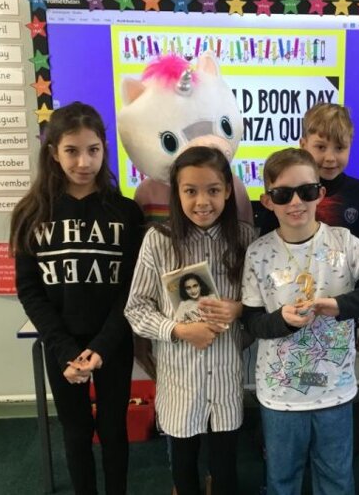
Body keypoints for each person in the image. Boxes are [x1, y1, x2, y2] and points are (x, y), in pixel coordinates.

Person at [241, 148, 359, 495]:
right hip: (281, 396)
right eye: (283, 194)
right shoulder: (258, 253)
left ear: (320, 193)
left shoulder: (343, 242)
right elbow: (252, 322)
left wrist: (341, 305)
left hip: (334, 392)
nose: (296, 202)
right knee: (281, 481)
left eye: (306, 191)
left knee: (336, 480)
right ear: (267, 201)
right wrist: (282, 322)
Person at [11, 102, 144, 495]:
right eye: (72, 151)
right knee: (76, 430)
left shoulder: (126, 212)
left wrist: (102, 347)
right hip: (62, 345)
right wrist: (66, 350)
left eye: (93, 150)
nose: (84, 162)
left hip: (112, 342)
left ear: (104, 150)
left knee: (113, 429)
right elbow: (29, 290)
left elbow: (132, 287)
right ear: (54, 152)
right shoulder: (32, 213)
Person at [125, 146, 255, 495]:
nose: (202, 201)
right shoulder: (158, 241)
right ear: (177, 193)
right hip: (181, 381)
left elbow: (262, 302)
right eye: (190, 191)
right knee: (183, 470)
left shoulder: (245, 239)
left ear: (227, 191)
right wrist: (179, 330)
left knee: (225, 471)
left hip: (225, 379)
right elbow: (136, 309)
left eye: (213, 190)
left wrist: (238, 309)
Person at [259, 102, 359, 349]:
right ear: (303, 145)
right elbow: (268, 251)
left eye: (340, 148)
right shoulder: (282, 196)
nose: (330, 158)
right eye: (320, 147)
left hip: (339, 314)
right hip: (287, 309)